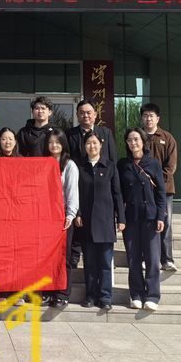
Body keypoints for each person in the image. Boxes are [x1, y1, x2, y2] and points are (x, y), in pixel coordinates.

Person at [66, 99, 118, 275]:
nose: (85, 115)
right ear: (77, 115)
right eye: (82, 113)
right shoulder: (70, 134)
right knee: (79, 223)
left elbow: (112, 158)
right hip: (79, 181)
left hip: (102, 182)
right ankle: (75, 256)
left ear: (95, 115)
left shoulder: (105, 132)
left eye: (89, 112)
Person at [118, 128, 167, 311]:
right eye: (129, 140)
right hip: (131, 218)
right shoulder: (122, 164)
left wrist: (161, 216)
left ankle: (152, 295)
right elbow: (119, 194)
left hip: (150, 218)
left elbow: (161, 193)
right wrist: (120, 217)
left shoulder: (153, 163)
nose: (133, 143)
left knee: (152, 259)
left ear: (143, 141)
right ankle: (136, 294)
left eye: (136, 139)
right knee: (133, 259)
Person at [76, 131, 124, 310]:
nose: (92, 146)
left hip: (105, 221)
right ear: (84, 146)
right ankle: (90, 295)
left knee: (104, 262)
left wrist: (121, 218)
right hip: (86, 221)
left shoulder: (110, 166)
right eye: (88, 143)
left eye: (95, 143)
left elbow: (117, 193)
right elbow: (76, 193)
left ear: (101, 145)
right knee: (89, 262)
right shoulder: (80, 167)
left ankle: (105, 297)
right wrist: (78, 214)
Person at [140, 103, 178, 272]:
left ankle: (167, 259)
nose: (148, 119)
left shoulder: (167, 138)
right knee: (145, 223)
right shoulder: (138, 137)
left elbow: (171, 166)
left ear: (158, 118)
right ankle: (144, 257)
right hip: (143, 189)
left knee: (166, 223)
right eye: (145, 116)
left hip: (165, 189)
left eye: (151, 116)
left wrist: (157, 182)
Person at [44, 129, 78, 310]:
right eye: (50, 142)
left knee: (64, 256)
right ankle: (48, 291)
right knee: (47, 257)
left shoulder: (69, 165)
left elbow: (72, 192)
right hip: (45, 216)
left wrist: (70, 214)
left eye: (57, 142)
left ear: (63, 144)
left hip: (63, 216)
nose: (54, 146)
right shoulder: (43, 163)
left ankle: (62, 294)